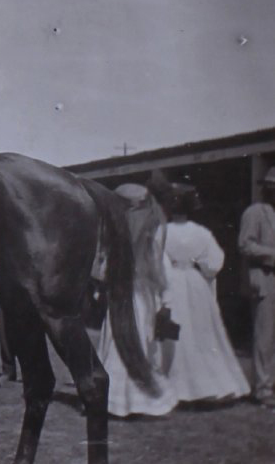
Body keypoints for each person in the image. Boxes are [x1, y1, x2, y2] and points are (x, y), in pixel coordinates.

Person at [162, 183, 250, 402]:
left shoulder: (161, 231)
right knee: (201, 332)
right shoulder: (201, 233)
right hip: (194, 282)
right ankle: (204, 386)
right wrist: (199, 268)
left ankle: (174, 385)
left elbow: (155, 259)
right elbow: (213, 263)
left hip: (170, 280)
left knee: (172, 333)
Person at [96, 183, 177, 417]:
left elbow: (102, 270)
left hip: (120, 294)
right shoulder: (153, 230)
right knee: (139, 341)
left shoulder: (113, 229)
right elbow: (161, 268)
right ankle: (140, 399)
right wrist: (166, 299)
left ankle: (113, 401)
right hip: (142, 295)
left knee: (116, 340)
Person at [238, 166, 275, 407]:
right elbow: (245, 245)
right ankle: (263, 389)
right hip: (265, 278)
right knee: (265, 336)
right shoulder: (255, 212)